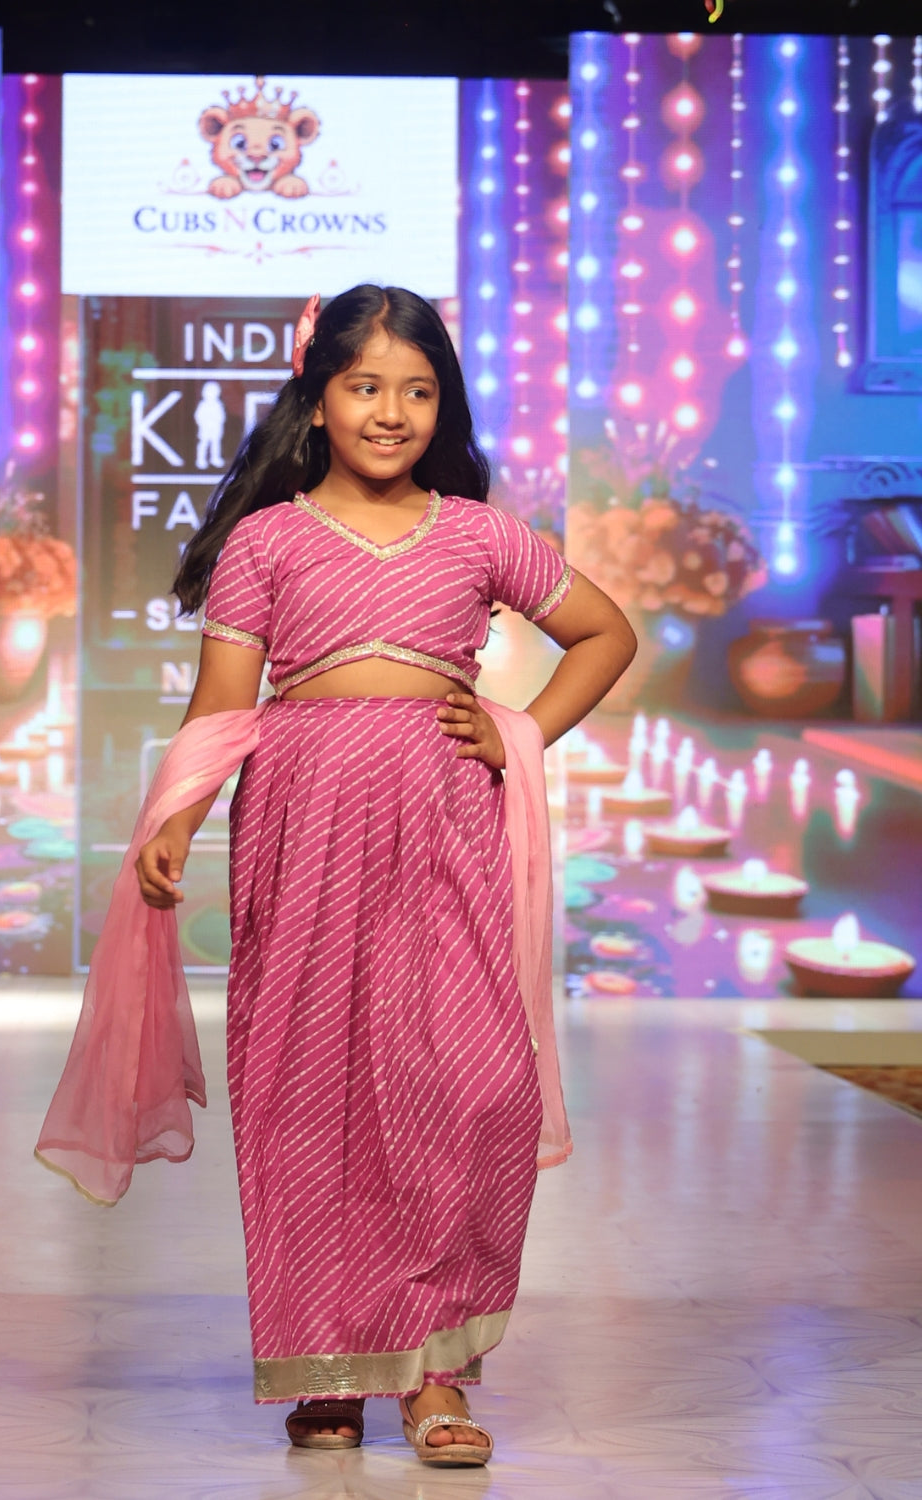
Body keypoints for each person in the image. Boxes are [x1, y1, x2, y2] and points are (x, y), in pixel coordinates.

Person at [128, 284, 637, 1465]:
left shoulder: (478, 535)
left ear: (442, 405)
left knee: (471, 1086)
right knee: (308, 1089)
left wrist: (520, 730)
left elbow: (607, 634)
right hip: (300, 826)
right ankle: (333, 1368)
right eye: (365, 386)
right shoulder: (267, 541)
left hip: (445, 825)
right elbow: (223, 704)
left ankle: (435, 1371)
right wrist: (176, 818)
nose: (391, 411)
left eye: (417, 389)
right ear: (318, 402)